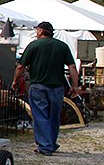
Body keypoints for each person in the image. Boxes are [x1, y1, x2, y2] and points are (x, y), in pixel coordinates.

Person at [12, 21, 81, 156]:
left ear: (41, 31)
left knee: (40, 116)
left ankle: (45, 146)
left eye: (37, 31)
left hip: (38, 87)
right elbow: (72, 67)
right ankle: (51, 143)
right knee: (54, 116)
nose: (36, 33)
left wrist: (15, 80)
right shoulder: (62, 46)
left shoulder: (33, 46)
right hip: (57, 88)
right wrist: (75, 86)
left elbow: (21, 66)